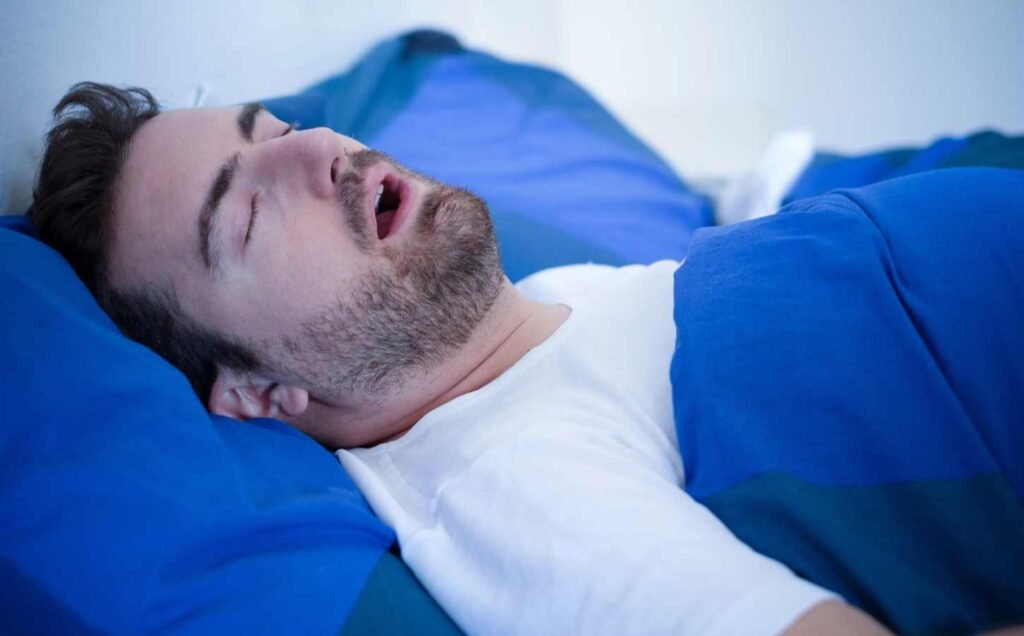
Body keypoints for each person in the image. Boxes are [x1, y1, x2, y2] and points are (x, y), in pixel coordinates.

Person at [31, 82, 891, 635]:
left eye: (278, 127)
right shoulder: (510, 488)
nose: (319, 145)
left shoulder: (555, 299)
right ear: (257, 393)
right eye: (248, 216)